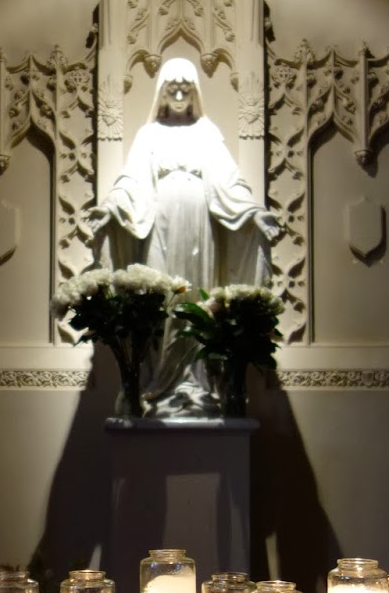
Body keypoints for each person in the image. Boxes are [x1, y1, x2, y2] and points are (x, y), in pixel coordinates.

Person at [86, 57, 280, 414]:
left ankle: (198, 383)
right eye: (172, 89)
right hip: (161, 222)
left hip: (199, 227)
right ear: (161, 92)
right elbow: (130, 182)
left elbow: (230, 182)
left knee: (196, 295)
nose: (178, 96)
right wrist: (110, 207)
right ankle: (160, 384)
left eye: (185, 89)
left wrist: (255, 213)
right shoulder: (149, 135)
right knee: (162, 299)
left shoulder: (207, 132)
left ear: (195, 93)